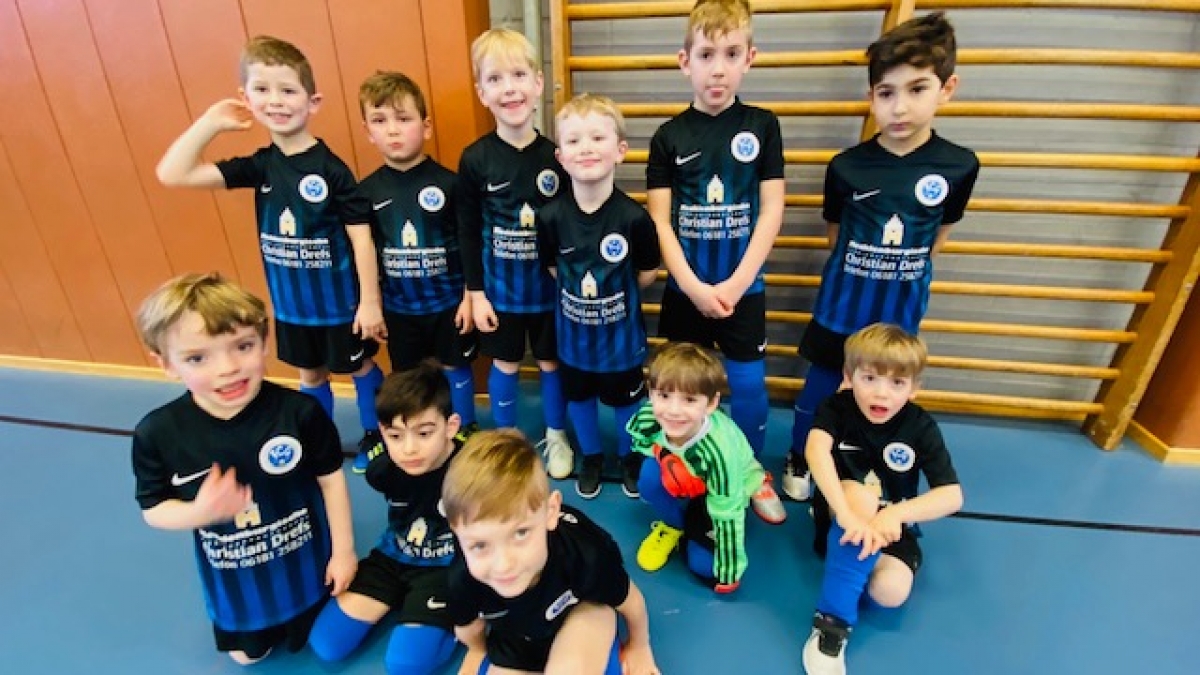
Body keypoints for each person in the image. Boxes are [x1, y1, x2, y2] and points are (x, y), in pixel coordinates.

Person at [156, 35, 387, 473]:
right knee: (310, 376)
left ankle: (375, 433)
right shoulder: (260, 165)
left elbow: (362, 238)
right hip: (292, 309)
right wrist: (210, 123)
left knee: (359, 369)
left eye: (287, 90)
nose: (276, 100)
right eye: (262, 89)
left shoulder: (331, 169)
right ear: (246, 97)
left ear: (312, 102)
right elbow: (173, 173)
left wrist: (369, 303)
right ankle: (320, 439)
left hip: (339, 307)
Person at [782, 11, 980, 503]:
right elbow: (837, 236)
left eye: (917, 89)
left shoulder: (959, 166)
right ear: (871, 96)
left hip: (899, 316)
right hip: (840, 311)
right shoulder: (847, 166)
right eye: (886, 93)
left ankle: (860, 469)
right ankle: (799, 457)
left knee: (882, 398)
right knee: (819, 391)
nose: (900, 106)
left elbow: (938, 236)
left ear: (947, 88)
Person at [131, 273, 356, 665]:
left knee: (322, 640)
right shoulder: (158, 433)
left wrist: (344, 552)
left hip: (309, 573)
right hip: (238, 587)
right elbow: (153, 509)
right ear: (166, 364)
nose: (228, 368)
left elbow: (331, 481)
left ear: (265, 343)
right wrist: (198, 513)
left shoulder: (300, 412)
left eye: (243, 346)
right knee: (246, 657)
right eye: (198, 358)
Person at [646, 0, 785, 475]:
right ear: (685, 62)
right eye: (706, 55)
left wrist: (737, 283)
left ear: (750, 58)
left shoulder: (762, 126)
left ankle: (747, 471)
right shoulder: (668, 136)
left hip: (744, 289)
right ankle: (688, 465)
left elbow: (772, 210)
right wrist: (693, 287)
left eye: (731, 54)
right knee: (684, 389)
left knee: (747, 386)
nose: (718, 69)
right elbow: (660, 221)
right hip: (685, 290)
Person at [800, 324, 964, 675]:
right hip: (843, 513)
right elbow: (815, 450)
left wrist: (896, 514)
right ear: (848, 377)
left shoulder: (920, 425)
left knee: (890, 593)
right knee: (861, 496)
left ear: (914, 388)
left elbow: (952, 495)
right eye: (870, 378)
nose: (881, 393)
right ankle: (831, 624)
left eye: (897, 383)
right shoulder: (836, 408)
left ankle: (850, 566)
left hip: (890, 526)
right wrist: (845, 514)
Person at [442, 429, 660, 675]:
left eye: (521, 533)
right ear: (456, 532)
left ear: (551, 511)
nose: (504, 564)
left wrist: (639, 645)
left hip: (582, 607)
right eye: (480, 546)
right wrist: (477, 651)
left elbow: (630, 600)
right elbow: (468, 626)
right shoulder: (463, 577)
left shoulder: (584, 555)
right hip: (518, 635)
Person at [457, 28, 574, 479]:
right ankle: (506, 440)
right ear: (481, 92)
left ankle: (557, 435)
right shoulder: (475, 158)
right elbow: (468, 231)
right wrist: (475, 293)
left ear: (538, 83)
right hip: (500, 293)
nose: (509, 88)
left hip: (550, 293)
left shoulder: (558, 156)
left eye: (519, 75)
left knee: (550, 363)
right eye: (495, 79)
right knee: (504, 362)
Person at [537, 93, 661, 499]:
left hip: (622, 342)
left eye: (597, 137)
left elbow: (646, 273)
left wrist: (610, 298)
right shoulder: (550, 217)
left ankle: (630, 457)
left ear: (620, 150)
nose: (586, 148)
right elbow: (554, 269)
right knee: (580, 397)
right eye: (574, 140)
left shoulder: (634, 218)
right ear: (560, 157)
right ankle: (591, 456)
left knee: (626, 401)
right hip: (573, 341)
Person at [308, 361, 463, 675]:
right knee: (327, 644)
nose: (409, 449)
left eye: (424, 433)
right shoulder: (381, 471)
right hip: (393, 557)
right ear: (382, 433)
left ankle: (441, 621)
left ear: (451, 426)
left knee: (406, 664)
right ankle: (406, 604)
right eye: (395, 436)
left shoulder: (472, 470)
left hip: (447, 566)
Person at [356, 70, 480, 439]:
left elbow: (469, 244)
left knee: (456, 367)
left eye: (403, 119)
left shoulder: (451, 184)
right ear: (368, 131)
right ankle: (415, 432)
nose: (393, 130)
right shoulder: (366, 192)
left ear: (425, 127)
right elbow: (366, 253)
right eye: (380, 121)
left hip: (449, 304)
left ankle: (464, 428)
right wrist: (372, 303)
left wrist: (468, 297)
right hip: (399, 309)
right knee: (407, 376)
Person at [627, 342, 786, 595]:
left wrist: (730, 569)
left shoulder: (718, 452)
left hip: (726, 479)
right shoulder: (651, 416)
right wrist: (664, 458)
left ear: (711, 404)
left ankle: (757, 482)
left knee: (705, 567)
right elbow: (640, 439)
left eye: (689, 399)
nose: (673, 410)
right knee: (648, 477)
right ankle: (673, 525)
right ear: (651, 393)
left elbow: (728, 514)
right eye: (664, 395)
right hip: (687, 469)